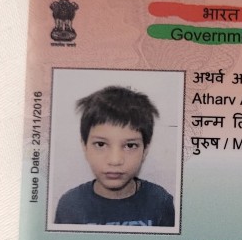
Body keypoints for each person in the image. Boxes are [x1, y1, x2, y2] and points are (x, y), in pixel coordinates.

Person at [54, 85, 175, 226]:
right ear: (84, 146)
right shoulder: (70, 205)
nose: (115, 160)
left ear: (145, 150)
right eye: (100, 144)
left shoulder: (160, 202)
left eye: (130, 145)